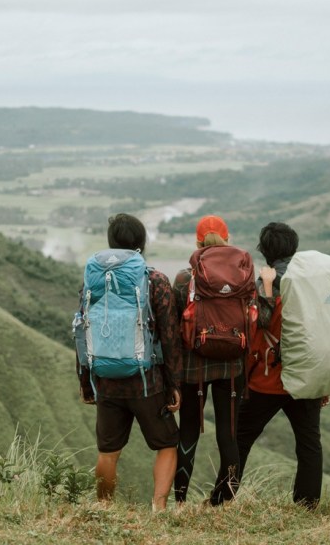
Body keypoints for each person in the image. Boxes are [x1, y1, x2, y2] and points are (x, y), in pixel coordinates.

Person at [76, 213, 183, 511]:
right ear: (140, 243)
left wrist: (86, 382)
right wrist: (175, 383)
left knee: (108, 451)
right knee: (166, 445)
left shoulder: (92, 283)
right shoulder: (155, 280)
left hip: (106, 382)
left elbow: (82, 334)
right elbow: (170, 336)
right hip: (147, 382)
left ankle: (104, 507)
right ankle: (158, 507)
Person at [236, 222, 330, 509]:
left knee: (239, 438)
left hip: (269, 378)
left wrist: (265, 285)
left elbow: (261, 323)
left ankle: (221, 498)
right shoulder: (313, 281)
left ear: (265, 251)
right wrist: (322, 380)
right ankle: (307, 505)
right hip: (306, 375)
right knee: (309, 443)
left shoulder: (270, 281)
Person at [171, 215, 245, 506]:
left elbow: (174, 325)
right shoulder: (243, 277)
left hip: (193, 369)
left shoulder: (184, 278)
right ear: (227, 239)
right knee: (228, 436)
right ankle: (224, 502)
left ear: (198, 241)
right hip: (232, 367)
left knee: (188, 432)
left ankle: (179, 501)